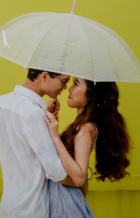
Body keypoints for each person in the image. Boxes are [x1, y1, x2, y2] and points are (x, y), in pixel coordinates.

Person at [43, 78, 131, 218]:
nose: (70, 89)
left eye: (76, 84)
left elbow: (79, 178)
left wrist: (55, 137)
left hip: (66, 206)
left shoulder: (86, 129)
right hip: (62, 201)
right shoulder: (80, 126)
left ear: (91, 94)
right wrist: (52, 118)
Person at [0, 68, 72, 217]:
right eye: (64, 81)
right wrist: (80, 182)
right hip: (33, 207)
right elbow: (55, 169)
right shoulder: (35, 114)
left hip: (8, 205)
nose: (65, 88)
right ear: (45, 76)